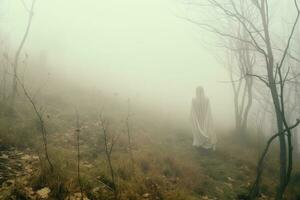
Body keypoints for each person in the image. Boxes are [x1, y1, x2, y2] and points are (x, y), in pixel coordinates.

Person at [190, 86, 217, 150]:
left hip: (205, 117)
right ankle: (200, 142)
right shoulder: (194, 99)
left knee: (206, 129)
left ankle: (205, 142)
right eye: (198, 91)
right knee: (199, 129)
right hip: (198, 118)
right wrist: (193, 117)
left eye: (199, 91)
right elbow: (193, 110)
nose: (198, 92)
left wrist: (208, 118)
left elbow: (208, 109)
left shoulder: (206, 99)